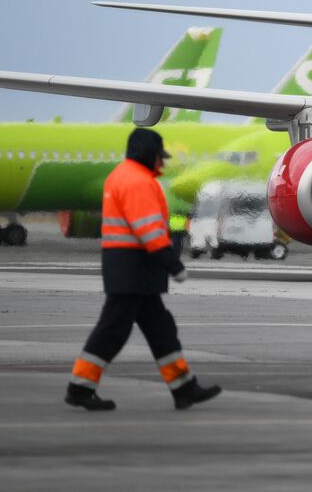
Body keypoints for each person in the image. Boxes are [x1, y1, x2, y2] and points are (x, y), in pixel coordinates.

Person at [65, 127, 221, 411]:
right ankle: (80, 387)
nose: (162, 163)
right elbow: (148, 230)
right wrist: (173, 264)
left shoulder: (122, 176)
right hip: (134, 268)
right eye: (159, 157)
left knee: (161, 330)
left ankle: (184, 387)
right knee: (112, 331)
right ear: (149, 155)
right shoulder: (138, 182)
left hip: (130, 268)